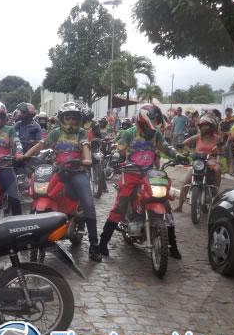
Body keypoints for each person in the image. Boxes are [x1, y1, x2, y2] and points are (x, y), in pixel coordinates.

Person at [98, 104, 186, 259]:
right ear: (141, 120)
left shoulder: (156, 134)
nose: (150, 129)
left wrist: (178, 155)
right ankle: (103, 243)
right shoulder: (129, 133)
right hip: (131, 174)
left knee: (165, 205)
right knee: (119, 206)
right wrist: (117, 156)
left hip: (151, 174)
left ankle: (172, 245)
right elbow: (119, 148)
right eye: (148, 125)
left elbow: (165, 147)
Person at [23, 101, 102, 262]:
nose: (71, 121)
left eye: (74, 118)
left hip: (77, 172)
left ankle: (94, 246)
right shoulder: (55, 133)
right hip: (58, 171)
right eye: (68, 118)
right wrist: (25, 156)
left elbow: (85, 147)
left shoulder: (81, 133)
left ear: (78, 120)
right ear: (62, 119)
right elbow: (40, 145)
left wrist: (86, 159)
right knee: (41, 193)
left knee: (88, 204)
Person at [174, 114, 221, 212]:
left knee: (217, 169)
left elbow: (221, 147)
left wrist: (219, 149)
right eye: (202, 125)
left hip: (211, 160)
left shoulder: (217, 138)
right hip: (198, 161)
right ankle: (180, 206)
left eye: (207, 125)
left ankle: (216, 191)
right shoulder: (198, 137)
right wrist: (190, 152)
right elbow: (184, 143)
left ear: (212, 127)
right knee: (186, 183)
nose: (204, 127)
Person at [219, 107, 234, 174]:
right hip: (224, 140)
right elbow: (220, 130)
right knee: (226, 156)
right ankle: (229, 169)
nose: (228, 113)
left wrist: (226, 133)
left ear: (231, 112)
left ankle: (232, 170)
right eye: (227, 111)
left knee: (232, 155)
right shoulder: (223, 121)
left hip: (231, 140)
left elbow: (232, 131)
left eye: (229, 111)